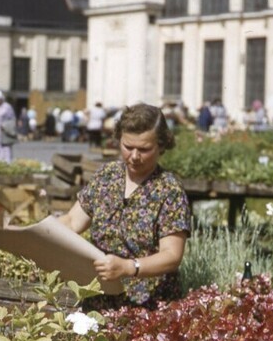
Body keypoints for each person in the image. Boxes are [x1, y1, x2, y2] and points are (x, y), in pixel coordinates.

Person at [58, 103, 191, 311]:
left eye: (144, 149)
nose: (135, 156)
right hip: (99, 300)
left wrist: (129, 267)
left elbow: (171, 256)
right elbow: (73, 221)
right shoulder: (107, 175)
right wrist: (42, 232)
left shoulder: (169, 190)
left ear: (161, 146)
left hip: (147, 308)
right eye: (128, 147)